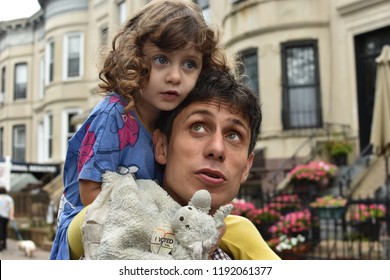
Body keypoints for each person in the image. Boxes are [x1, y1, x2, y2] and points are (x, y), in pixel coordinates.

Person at [50, 0, 229, 260]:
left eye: (189, 64)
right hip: (92, 233)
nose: (175, 76)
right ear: (133, 58)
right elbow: (91, 195)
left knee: (234, 229)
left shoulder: (169, 118)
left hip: (144, 227)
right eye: (161, 60)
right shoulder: (115, 112)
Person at [75, 70, 280, 260]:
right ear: (162, 146)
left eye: (233, 135)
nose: (217, 148)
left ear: (246, 167)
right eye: (198, 127)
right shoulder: (105, 224)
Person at [0, 186, 14, 251]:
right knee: (4, 230)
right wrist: (11, 216)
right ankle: (4, 243)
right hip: (5, 217)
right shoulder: (9, 198)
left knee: (1, 230)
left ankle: (1, 243)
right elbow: (11, 208)